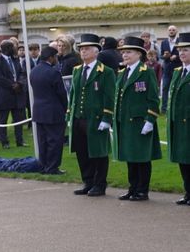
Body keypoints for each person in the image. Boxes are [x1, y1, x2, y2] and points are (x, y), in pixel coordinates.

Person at [67, 34, 116, 197]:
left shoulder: (105, 72)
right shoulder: (77, 70)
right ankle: (88, 181)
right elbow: (73, 94)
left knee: (98, 152)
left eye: (87, 49)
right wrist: (69, 115)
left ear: (96, 52)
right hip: (79, 118)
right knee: (82, 152)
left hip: (95, 118)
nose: (83, 52)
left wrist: (107, 118)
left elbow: (109, 96)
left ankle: (100, 184)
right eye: (81, 49)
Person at [114, 37, 162, 201]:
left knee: (142, 158)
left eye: (128, 52)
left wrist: (150, 120)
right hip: (126, 122)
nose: (124, 55)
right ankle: (132, 188)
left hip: (140, 122)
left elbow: (154, 99)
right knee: (130, 157)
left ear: (139, 54)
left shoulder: (146, 71)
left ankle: (142, 190)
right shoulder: (123, 72)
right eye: (123, 52)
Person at [30, 46, 68, 174]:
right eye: (55, 57)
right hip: (53, 111)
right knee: (55, 141)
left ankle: (44, 165)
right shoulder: (53, 72)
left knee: (43, 141)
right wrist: (66, 108)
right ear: (51, 58)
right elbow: (61, 93)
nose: (56, 59)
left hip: (39, 110)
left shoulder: (34, 71)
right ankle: (52, 167)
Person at [166, 32, 190, 204]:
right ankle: (188, 192)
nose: (181, 53)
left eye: (186, 50)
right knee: (183, 160)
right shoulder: (177, 72)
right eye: (180, 50)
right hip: (179, 125)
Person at [0, 40, 27, 148]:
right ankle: (4, 142)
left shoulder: (15, 60)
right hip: (5, 94)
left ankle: (19, 141)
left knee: (18, 119)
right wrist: (13, 85)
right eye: (13, 47)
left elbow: (21, 73)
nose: (15, 49)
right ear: (7, 49)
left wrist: (19, 84)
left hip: (17, 94)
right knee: (3, 120)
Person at [159, 25, 179, 110]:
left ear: (176, 31)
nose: (171, 31)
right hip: (167, 69)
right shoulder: (164, 42)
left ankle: (176, 107)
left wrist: (176, 56)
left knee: (177, 88)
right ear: (168, 32)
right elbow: (161, 56)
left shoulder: (180, 41)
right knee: (165, 88)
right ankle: (164, 108)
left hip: (177, 68)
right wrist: (164, 56)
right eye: (170, 30)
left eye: (173, 30)